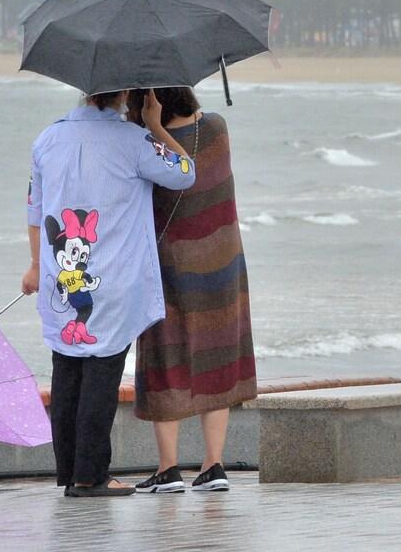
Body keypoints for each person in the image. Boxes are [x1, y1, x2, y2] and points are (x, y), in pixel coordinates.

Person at [23, 89, 196, 497]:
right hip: (112, 280)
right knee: (101, 373)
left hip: (61, 276)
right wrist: (154, 125)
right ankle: (90, 477)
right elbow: (185, 171)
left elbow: (34, 209)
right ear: (122, 93)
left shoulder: (47, 138)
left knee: (67, 371)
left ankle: (69, 471)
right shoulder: (134, 141)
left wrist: (34, 265)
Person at [126, 87, 256, 494]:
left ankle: (168, 469)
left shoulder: (145, 141)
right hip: (223, 258)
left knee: (167, 357)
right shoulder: (216, 127)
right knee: (217, 356)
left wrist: (150, 127)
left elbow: (185, 172)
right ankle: (213, 465)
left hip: (171, 264)